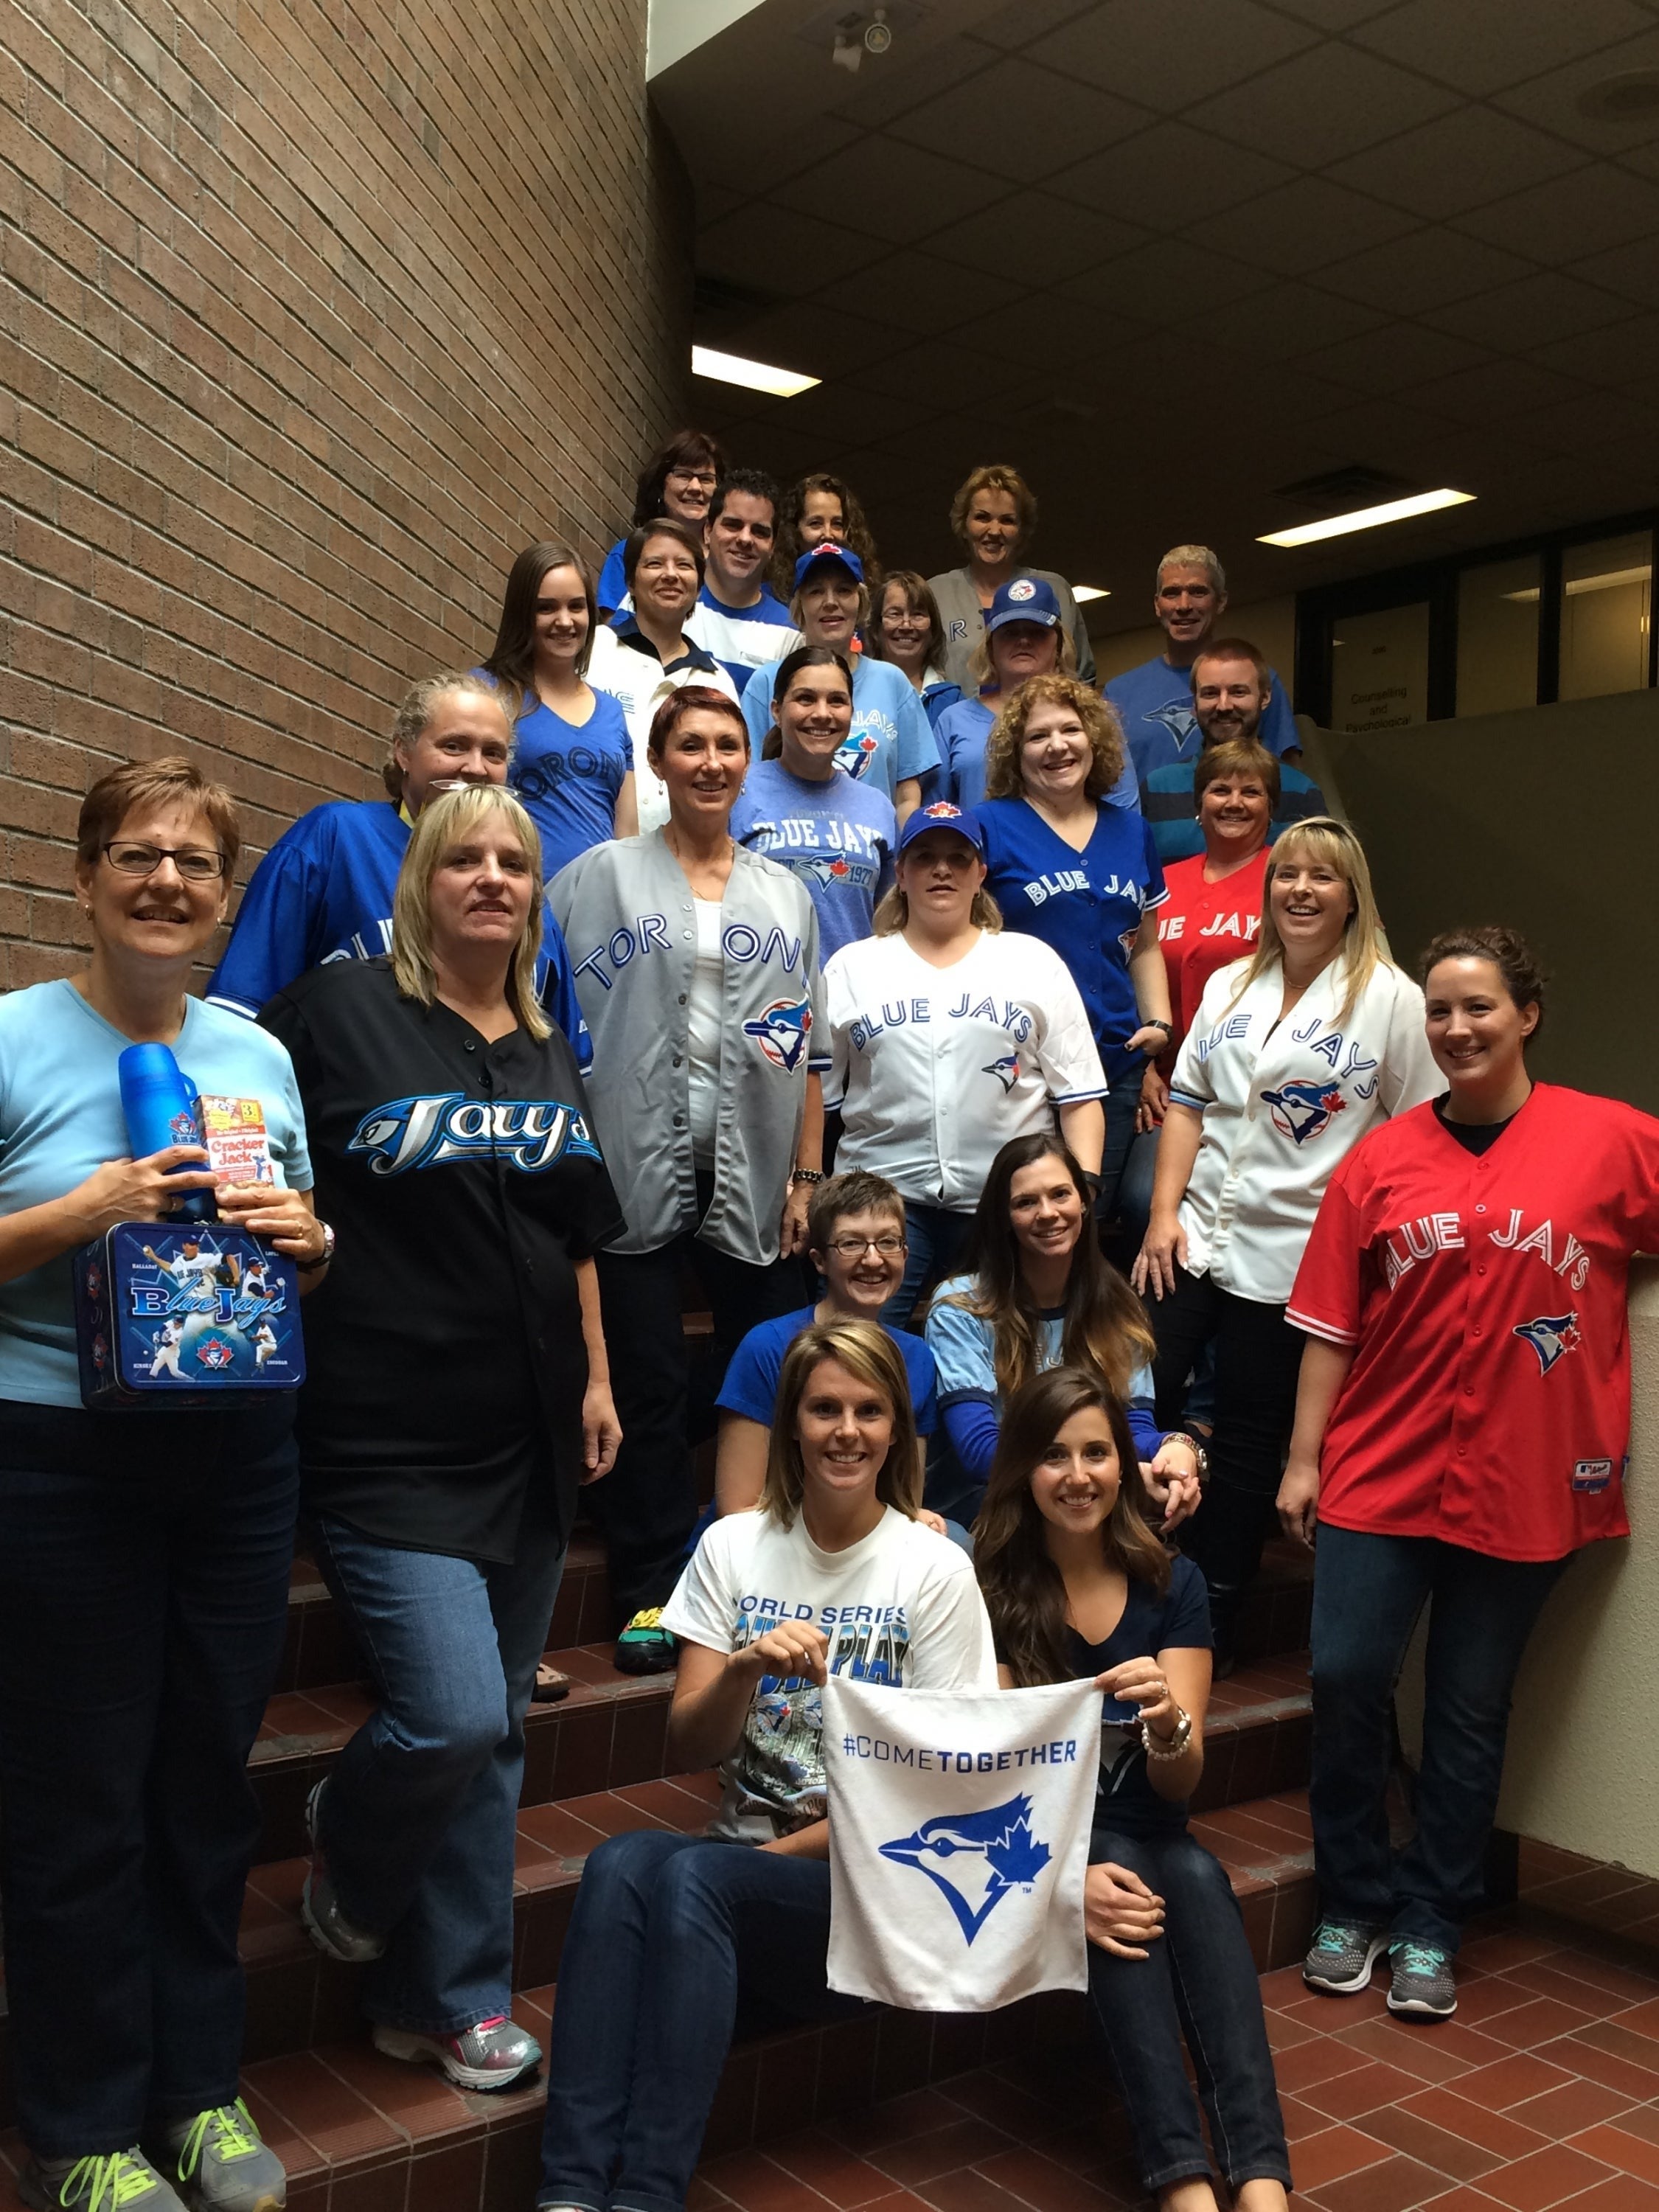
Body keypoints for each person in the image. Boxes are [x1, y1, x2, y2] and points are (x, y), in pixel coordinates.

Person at [259, 785, 623, 2093]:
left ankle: (445, 1998)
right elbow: (265, 1161)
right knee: (456, 1715)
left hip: (526, 1437)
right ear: (420, 879)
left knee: (497, 1737)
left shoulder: (542, 1041)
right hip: (382, 1440)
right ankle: (351, 1841)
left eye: (513, 862)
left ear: (535, 890)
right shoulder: (337, 1014)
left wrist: (593, 1377)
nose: (491, 878)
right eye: (461, 858)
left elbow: (573, 1227)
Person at [0, 757, 324, 2212]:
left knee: (205, 1781)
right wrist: (89, 1208)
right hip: (63, 1462)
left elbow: (304, 1235)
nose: (167, 882)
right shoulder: (13, 1041)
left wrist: (306, 1240)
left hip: (237, 1454)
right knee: (82, 1799)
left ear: (220, 899)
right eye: (138, 855)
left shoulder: (256, 1054)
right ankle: (80, 2126)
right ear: (83, 878)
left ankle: (197, 2093)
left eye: (197, 864)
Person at [1281, 926, 1659, 2020]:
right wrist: (1302, 1462)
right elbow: (1327, 1324)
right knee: (1348, 1678)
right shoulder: (1381, 1157)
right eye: (1439, 1012)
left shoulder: (1607, 1140)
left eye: (1477, 1008)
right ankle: (1351, 1898)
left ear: (1525, 1015)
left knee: (1464, 1707)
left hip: (1528, 1478)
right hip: (1380, 1466)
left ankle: (1432, 1919)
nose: (1454, 1029)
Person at [535, 1318, 997, 2212]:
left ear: (899, 1429)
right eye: (824, 1408)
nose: (846, 1431)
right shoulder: (733, 1546)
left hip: (874, 1900)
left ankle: (646, 2197)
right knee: (618, 1863)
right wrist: (743, 1667)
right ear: (791, 1423)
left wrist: (752, 1867)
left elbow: (935, 1798)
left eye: (869, 1411)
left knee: (695, 1882)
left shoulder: (933, 1570)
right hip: (740, 1882)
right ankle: (570, 2191)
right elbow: (693, 1743)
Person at [551, 688, 827, 1672]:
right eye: (690, 745)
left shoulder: (783, 893)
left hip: (751, 1171)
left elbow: (807, 1052)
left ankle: (758, 1583)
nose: (710, 762)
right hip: (629, 1163)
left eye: (726, 745)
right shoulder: (593, 879)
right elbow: (551, 1024)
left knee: (774, 1370)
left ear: (746, 760)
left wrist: (804, 1174)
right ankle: (647, 1598)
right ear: (660, 761)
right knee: (648, 1387)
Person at [977, 1368, 1290, 2212]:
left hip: (1154, 1831)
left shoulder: (1172, 1585)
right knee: (1129, 1861)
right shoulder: (996, 1592)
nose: (1077, 1475)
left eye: (1096, 1453)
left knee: (1192, 1873)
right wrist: (1061, 1880)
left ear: (1125, 1465)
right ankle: (1183, 2182)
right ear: (1022, 1472)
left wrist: (1167, 1724)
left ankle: (1261, 2183)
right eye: (1053, 1456)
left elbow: (1180, 1781)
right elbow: (999, 1780)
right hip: (1044, 1850)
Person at [1132, 820, 1442, 1663]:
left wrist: (1371, 1249)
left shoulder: (1394, 1001)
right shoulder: (1234, 984)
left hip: (1295, 1259)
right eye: (1287, 876)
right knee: (1132, 1390)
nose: (1301, 891)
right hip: (1192, 1236)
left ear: (1353, 897)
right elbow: (1189, 1102)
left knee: (1244, 1435)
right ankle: (1125, 1582)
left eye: (1323, 879)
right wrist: (1163, 1213)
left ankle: (1216, 1613)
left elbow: (1422, 1135)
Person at [205, 672, 590, 1063]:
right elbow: (237, 1021)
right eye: (454, 746)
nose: (475, 769)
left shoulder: (520, 891)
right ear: (404, 752)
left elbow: (566, 1063)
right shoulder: (336, 840)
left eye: (494, 753)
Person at [824, 801, 1107, 1326]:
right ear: (901, 874)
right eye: (925, 856)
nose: (942, 869)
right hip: (885, 1206)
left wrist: (1082, 1191)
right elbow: (817, 1097)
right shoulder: (852, 967)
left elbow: (1080, 1095)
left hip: (1004, 1204)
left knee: (1012, 1355)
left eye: (958, 858)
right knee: (864, 1352)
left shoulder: (1031, 961)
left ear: (980, 873)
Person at [975, 674, 1172, 1234]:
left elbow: (1146, 943)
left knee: (1084, 1218)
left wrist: (1158, 1023)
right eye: (1038, 736)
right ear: (1017, 753)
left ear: (1095, 740)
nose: (1057, 746)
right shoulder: (989, 827)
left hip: (1115, 1057)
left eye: (1070, 729)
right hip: (1023, 1064)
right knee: (1020, 1221)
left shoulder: (1132, 830)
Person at [925, 1136, 1203, 1528]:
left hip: (1077, 1514)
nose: (1047, 1213)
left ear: (1085, 1203)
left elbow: (1132, 1430)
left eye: (1060, 1195)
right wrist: (1115, 1479)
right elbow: (980, 1452)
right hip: (984, 1512)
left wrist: (1175, 1448)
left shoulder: (1118, 1307)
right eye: (1026, 1202)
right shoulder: (961, 1307)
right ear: (1004, 1217)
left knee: (1172, 1577)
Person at [1125, 740, 1281, 1253]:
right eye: (1220, 789)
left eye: (1250, 792)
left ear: (1271, 806)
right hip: (1167, 1091)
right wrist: (1142, 1070)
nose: (1234, 802)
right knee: (1140, 1198)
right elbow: (1130, 977)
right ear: (1199, 804)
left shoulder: (1287, 884)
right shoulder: (1162, 884)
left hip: (1250, 1093)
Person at [714, 1170, 938, 1514]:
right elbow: (738, 1508)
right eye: (851, 1243)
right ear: (819, 1260)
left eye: (888, 1242)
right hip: (765, 1542)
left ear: (905, 1256)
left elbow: (905, 1500)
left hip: (857, 1543)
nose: (873, 1259)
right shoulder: (767, 1346)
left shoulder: (916, 1357)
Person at [741, 544, 936, 820]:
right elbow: (746, 782)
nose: (831, 602)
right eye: (816, 591)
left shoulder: (893, 682)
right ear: (799, 606)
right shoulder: (765, 683)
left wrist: (898, 856)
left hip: (872, 853)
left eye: (844, 590)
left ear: (861, 604)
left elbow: (907, 794)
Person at [480, 541, 636, 880]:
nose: (564, 621)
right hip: (517, 899)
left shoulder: (611, 712)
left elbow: (628, 836)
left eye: (576, 607)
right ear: (522, 613)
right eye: (546, 608)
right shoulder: (485, 693)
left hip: (598, 907)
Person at [729, 645, 897, 961]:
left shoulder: (878, 807)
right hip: (760, 993)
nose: (822, 713)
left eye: (837, 700)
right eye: (806, 698)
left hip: (850, 997)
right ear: (777, 711)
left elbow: (888, 922)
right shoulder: (737, 790)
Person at [586, 519, 742, 835]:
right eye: (655, 563)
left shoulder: (716, 681)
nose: (670, 575)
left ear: (699, 586)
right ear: (630, 582)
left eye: (683, 565)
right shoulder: (592, 649)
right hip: (592, 846)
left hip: (680, 861)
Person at [1105, 548, 1300, 780]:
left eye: (1198, 592)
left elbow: (1289, 777)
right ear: (1158, 605)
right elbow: (1107, 782)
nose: (1184, 605)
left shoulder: (1257, 681)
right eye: (1172, 593)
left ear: (1221, 602)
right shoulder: (1119, 692)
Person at [1140, 640, 1327, 865]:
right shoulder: (1157, 787)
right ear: (1195, 701)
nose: (1224, 705)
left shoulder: (1300, 790)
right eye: (1210, 693)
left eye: (1238, 692)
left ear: (1265, 698)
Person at [928, 464, 1097, 690]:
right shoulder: (936, 594)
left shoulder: (1054, 588)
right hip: (958, 724)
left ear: (1022, 530)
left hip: (1040, 722)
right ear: (965, 525)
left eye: (1007, 520)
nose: (995, 530)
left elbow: (1082, 677)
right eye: (982, 517)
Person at [685, 467, 799, 692]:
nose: (745, 539)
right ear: (708, 531)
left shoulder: (791, 634)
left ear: (773, 546)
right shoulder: (665, 599)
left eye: (760, 531)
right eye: (733, 525)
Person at [595, 427, 726, 616]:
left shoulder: (729, 565)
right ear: (660, 485)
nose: (696, 488)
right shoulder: (628, 553)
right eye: (684, 476)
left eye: (706, 479)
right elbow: (613, 635)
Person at [864, 569, 962, 730]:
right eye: (894, 614)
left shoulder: (953, 702)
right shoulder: (854, 694)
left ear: (933, 630)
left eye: (918, 614)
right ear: (876, 629)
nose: (906, 625)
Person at [768, 469, 880, 600]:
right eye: (816, 523)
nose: (828, 534)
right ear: (794, 531)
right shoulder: (769, 600)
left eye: (837, 524)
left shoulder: (866, 600)